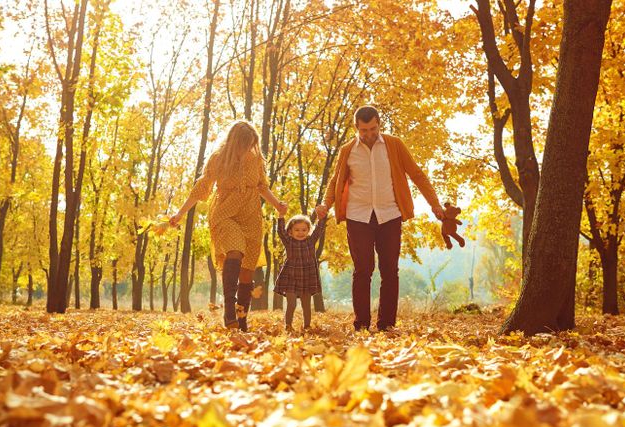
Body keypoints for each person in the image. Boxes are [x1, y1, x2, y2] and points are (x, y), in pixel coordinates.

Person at [315, 106, 444, 332]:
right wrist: (326, 204)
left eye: (373, 128)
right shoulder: (347, 150)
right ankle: (362, 324)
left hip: (389, 215)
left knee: (389, 270)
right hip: (358, 216)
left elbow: (417, 174)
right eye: (364, 130)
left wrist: (434, 203)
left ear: (379, 125)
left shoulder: (394, 145)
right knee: (362, 270)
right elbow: (336, 180)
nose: (369, 134)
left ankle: (386, 324)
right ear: (356, 128)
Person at [170, 121, 287, 331]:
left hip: (251, 216)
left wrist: (277, 203)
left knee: (247, 272)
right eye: (244, 144)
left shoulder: (255, 160)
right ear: (235, 141)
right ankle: (229, 312)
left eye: (251, 144)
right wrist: (180, 213)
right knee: (234, 251)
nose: (247, 149)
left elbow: (262, 187)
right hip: (224, 213)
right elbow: (201, 188)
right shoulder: (219, 159)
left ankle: (241, 320)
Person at [274, 212, 327, 334]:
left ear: (308, 230)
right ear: (290, 231)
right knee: (291, 304)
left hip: (307, 276)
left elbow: (319, 230)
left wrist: (321, 217)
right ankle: (288, 326)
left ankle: (307, 326)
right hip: (290, 276)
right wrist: (280, 216)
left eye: (304, 230)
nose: (300, 232)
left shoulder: (311, 241)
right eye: (297, 230)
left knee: (306, 304)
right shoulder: (289, 241)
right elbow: (281, 232)